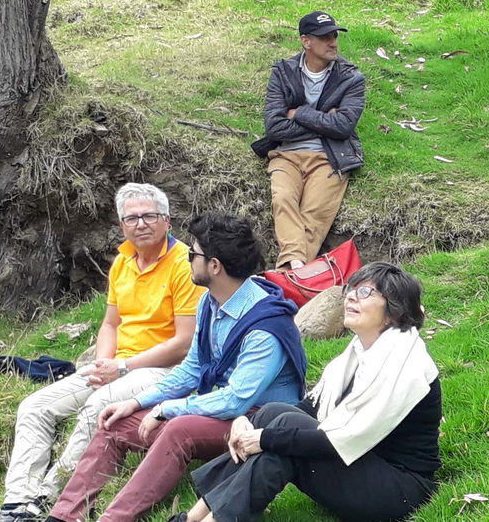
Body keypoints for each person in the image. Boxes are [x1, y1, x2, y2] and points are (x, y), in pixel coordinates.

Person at [45, 212, 308, 522]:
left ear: (214, 266)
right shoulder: (210, 302)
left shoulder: (266, 328)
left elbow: (236, 400)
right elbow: (192, 369)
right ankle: (64, 516)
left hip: (257, 421)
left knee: (179, 428)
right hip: (224, 411)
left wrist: (167, 409)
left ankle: (114, 518)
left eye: (193, 254)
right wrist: (137, 402)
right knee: (114, 422)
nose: (187, 259)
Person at [0, 184, 202, 522]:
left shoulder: (183, 265)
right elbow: (110, 324)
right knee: (34, 406)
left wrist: (123, 366)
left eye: (149, 216)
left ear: (167, 220)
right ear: (122, 225)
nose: (141, 224)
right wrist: (104, 363)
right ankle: (17, 503)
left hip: (165, 369)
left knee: (97, 406)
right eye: (132, 218)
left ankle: (49, 498)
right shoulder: (123, 262)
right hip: (120, 364)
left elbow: (184, 343)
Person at [176, 262, 441, 522]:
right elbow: (310, 408)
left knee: (281, 442)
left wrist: (265, 438)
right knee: (272, 414)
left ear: (394, 309)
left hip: (398, 488)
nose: (351, 297)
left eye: (364, 292)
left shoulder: (405, 364)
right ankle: (193, 518)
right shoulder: (359, 353)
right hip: (361, 465)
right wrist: (247, 421)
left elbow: (342, 441)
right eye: (351, 289)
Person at [251, 11, 366, 271]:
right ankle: (297, 274)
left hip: (329, 157)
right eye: (325, 37)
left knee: (314, 216)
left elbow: (343, 127)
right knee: (283, 199)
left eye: (334, 36)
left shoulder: (351, 77)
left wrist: (300, 113)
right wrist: (325, 120)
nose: (333, 42)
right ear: (306, 41)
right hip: (286, 156)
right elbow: (275, 127)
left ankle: (288, 272)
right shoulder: (283, 72)